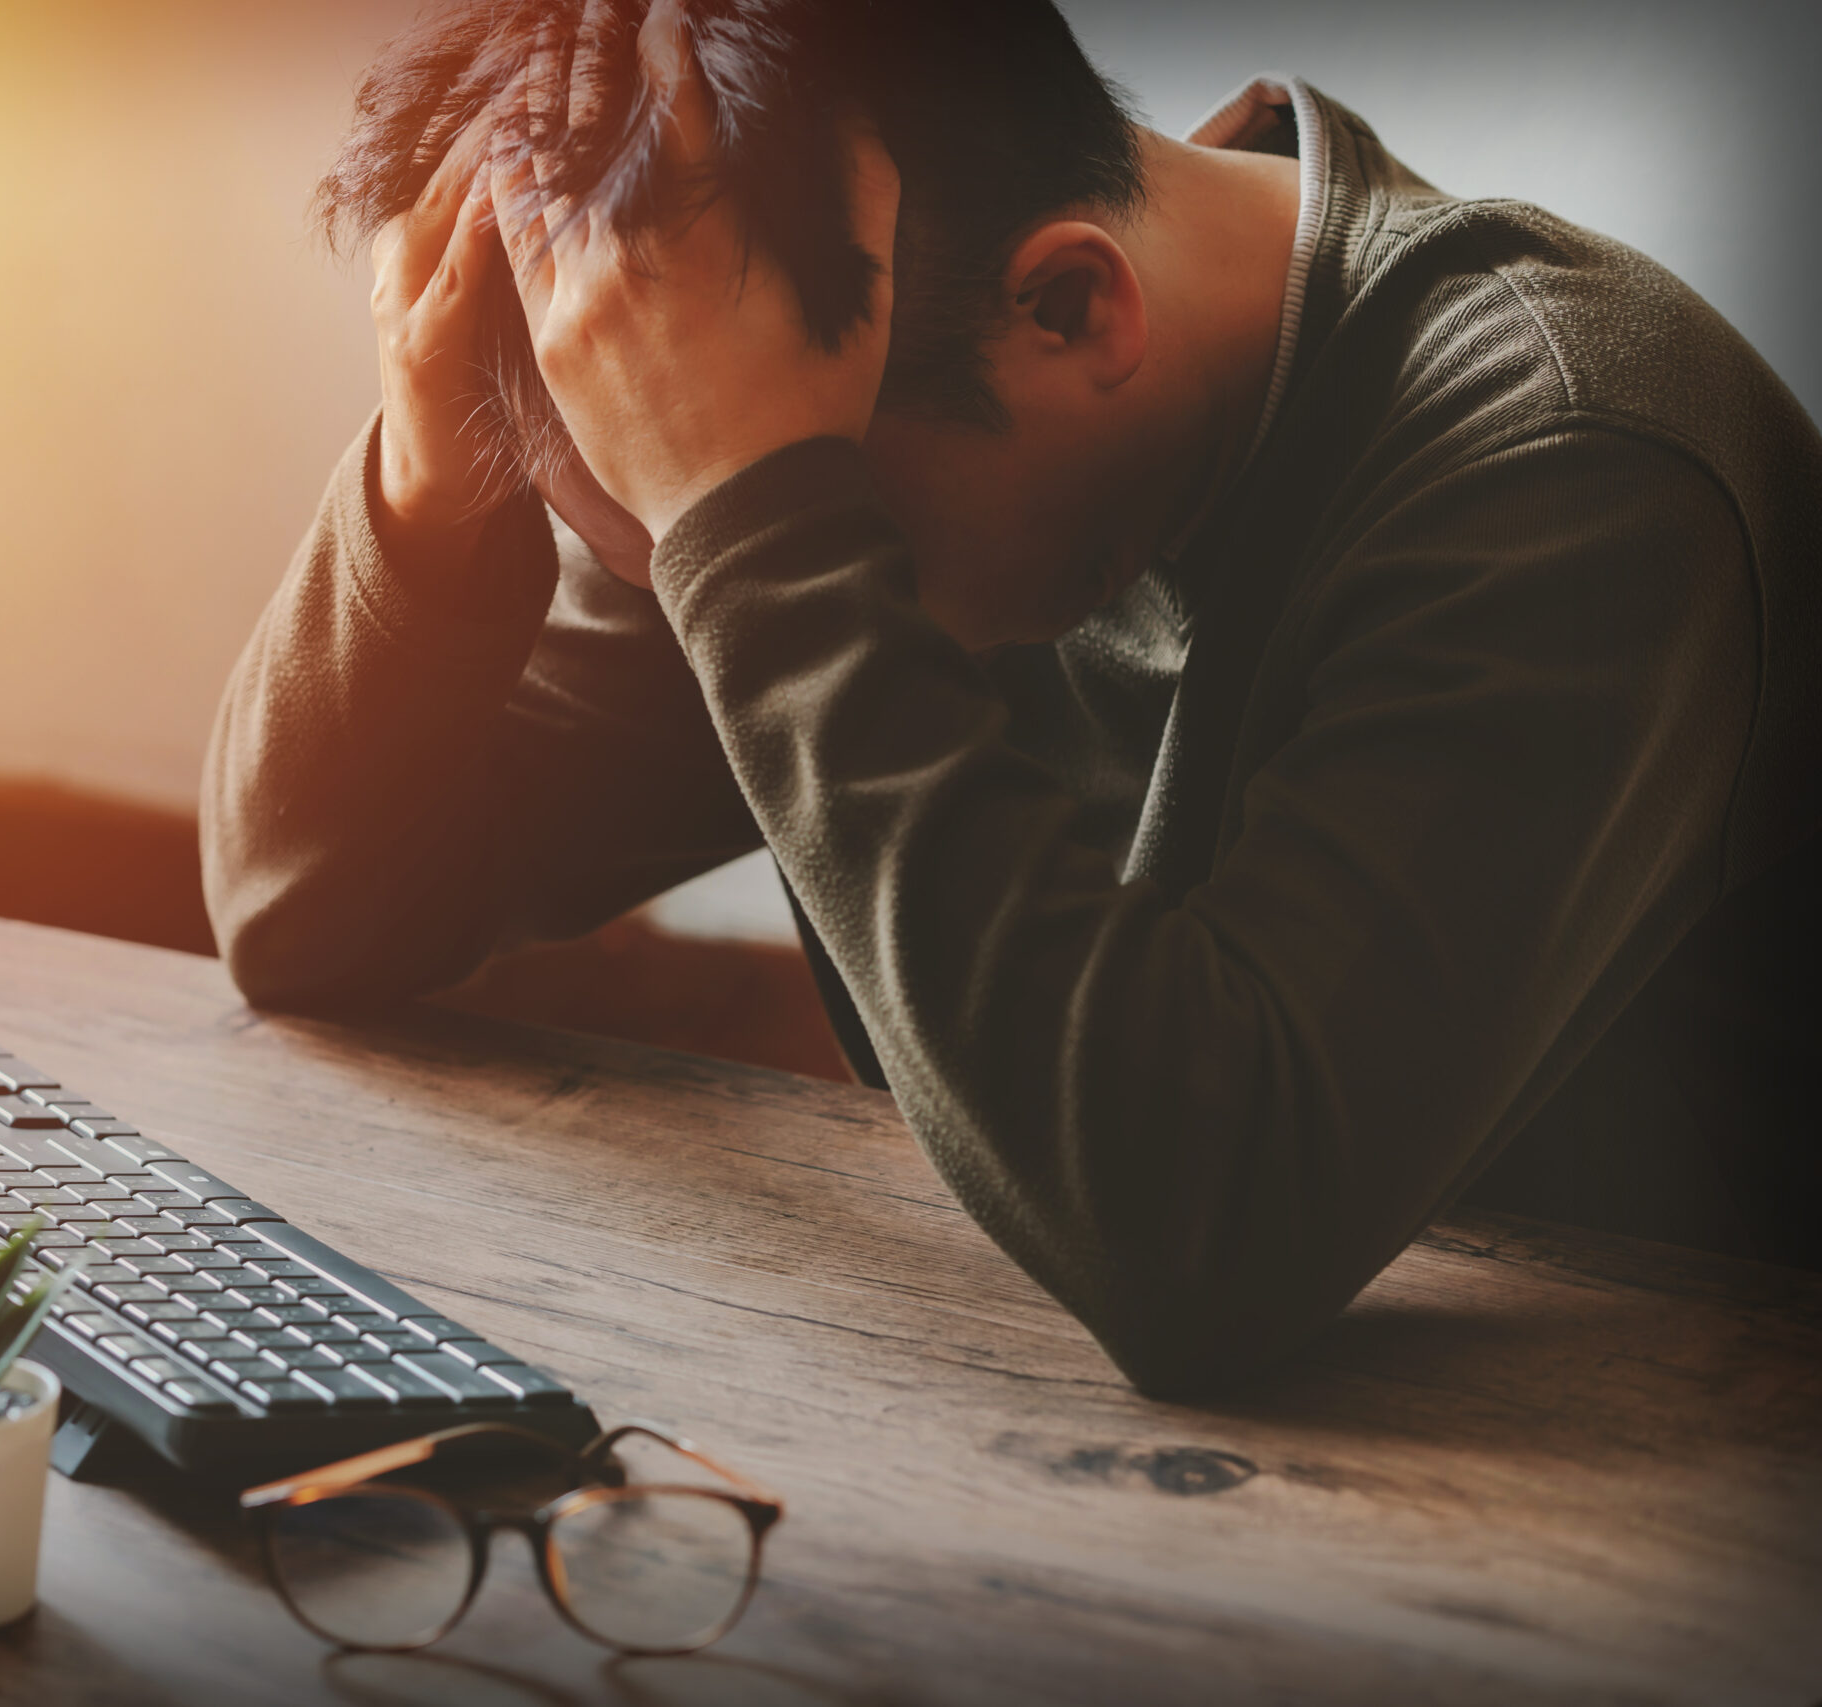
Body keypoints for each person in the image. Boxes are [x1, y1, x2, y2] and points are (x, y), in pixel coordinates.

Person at [200, 0, 1820, 1394]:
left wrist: (758, 526)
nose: (663, 591)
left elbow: (1205, 1235)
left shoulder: (1579, 455)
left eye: (711, 526)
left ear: (1072, 306)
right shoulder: (879, 416)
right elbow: (309, 911)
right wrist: (427, 495)